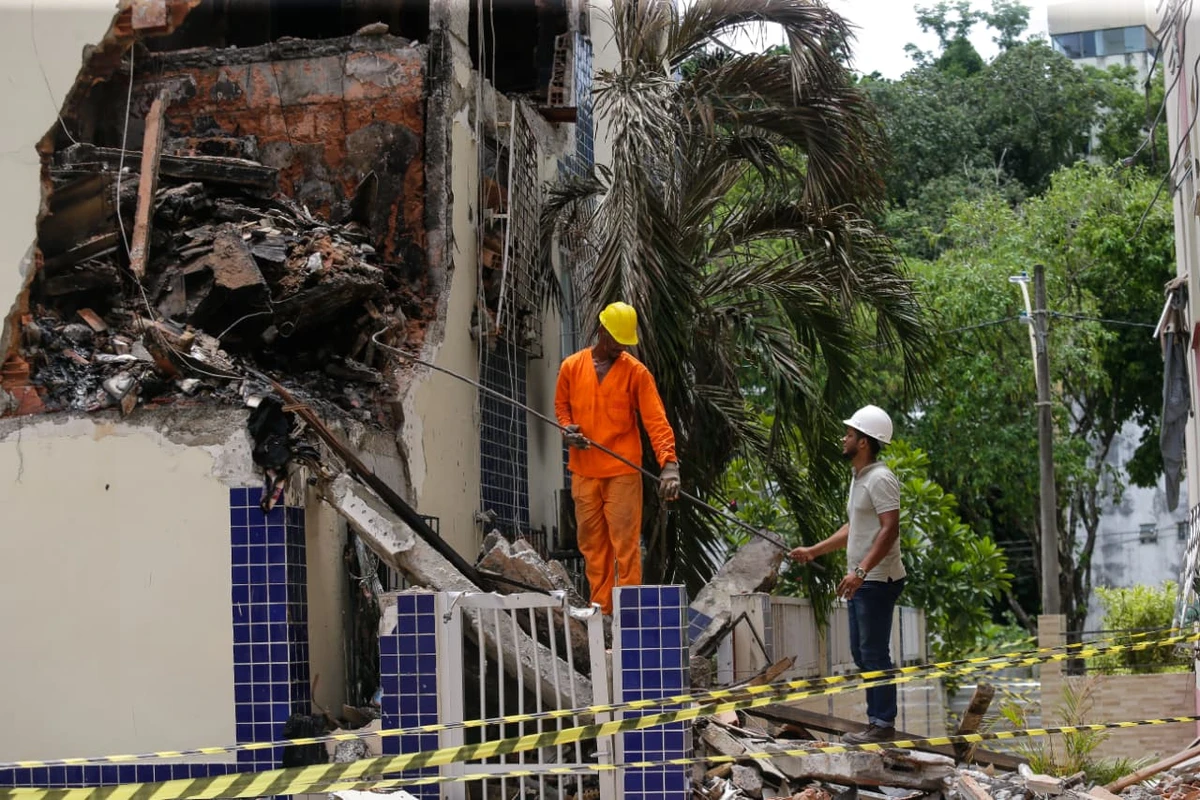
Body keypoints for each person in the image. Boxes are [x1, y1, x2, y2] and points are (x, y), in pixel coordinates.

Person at [554, 301, 681, 615]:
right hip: (584, 472)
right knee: (593, 550)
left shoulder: (636, 373)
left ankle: (629, 616)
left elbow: (656, 420)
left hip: (622, 471)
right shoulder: (571, 366)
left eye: (625, 342)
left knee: (625, 549)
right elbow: (562, 408)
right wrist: (566, 431)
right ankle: (602, 614)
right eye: (615, 340)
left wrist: (669, 464)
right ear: (602, 331)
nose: (620, 347)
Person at [788, 405, 904, 744]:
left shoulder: (881, 478)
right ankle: (876, 722)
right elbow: (855, 528)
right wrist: (813, 551)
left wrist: (860, 571)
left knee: (874, 654)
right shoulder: (861, 478)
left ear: (864, 442)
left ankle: (882, 725)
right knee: (860, 653)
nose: (844, 438)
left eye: (850, 434)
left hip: (878, 580)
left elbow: (889, 529)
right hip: (863, 580)